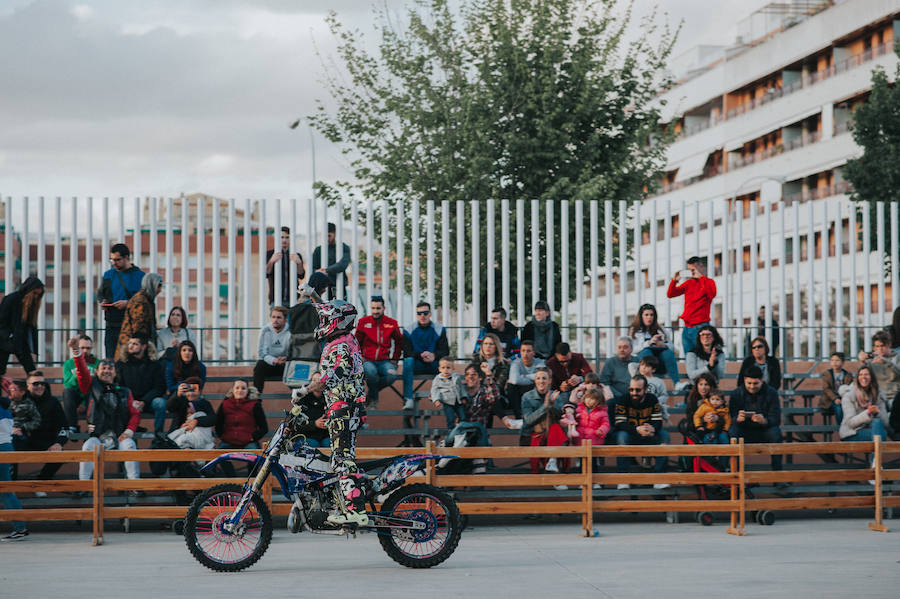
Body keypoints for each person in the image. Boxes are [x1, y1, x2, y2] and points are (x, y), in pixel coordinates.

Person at [295, 301, 368, 525]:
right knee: (342, 457)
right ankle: (348, 504)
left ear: (338, 321)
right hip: (346, 407)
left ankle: (355, 510)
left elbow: (337, 372)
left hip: (343, 407)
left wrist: (306, 390)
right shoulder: (346, 339)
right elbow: (337, 310)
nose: (322, 323)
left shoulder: (340, 345)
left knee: (342, 459)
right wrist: (313, 296)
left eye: (326, 319)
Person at [71, 342, 141, 486]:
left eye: (110, 368)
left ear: (115, 373)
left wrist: (129, 431)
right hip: (97, 435)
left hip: (120, 435)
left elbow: (135, 414)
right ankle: (83, 486)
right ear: (96, 372)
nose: (107, 371)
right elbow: (82, 372)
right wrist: (76, 352)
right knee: (87, 447)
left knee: (130, 446)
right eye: (103, 368)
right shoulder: (90, 387)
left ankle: (135, 486)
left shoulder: (125, 391)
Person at [9, 371, 68, 483]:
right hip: (23, 440)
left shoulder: (53, 402)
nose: (40, 386)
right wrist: (11, 429)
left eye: (43, 383)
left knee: (60, 454)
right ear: (27, 386)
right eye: (36, 383)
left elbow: (64, 426)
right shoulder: (18, 399)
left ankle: (41, 481)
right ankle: (11, 485)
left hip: (45, 441)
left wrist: (58, 443)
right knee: (10, 446)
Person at [613, 374, 667, 489]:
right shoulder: (623, 399)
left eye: (638, 390)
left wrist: (652, 428)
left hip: (648, 433)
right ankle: (623, 478)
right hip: (631, 434)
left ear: (646, 389)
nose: (634, 392)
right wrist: (637, 429)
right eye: (631, 389)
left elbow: (658, 420)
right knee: (621, 436)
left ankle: (660, 478)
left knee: (664, 435)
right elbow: (619, 423)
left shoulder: (652, 399)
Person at [729, 365, 784, 474]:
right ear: (744, 380)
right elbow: (730, 418)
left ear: (762, 380)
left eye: (755, 383)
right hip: (743, 430)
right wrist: (737, 419)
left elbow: (776, 418)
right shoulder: (736, 393)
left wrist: (765, 421)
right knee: (733, 432)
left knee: (776, 433)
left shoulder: (771, 393)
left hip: (764, 430)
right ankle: (735, 473)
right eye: (749, 383)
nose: (752, 387)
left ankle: (778, 475)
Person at [97, 243, 145, 358]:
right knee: (111, 358)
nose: (114, 263)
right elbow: (101, 294)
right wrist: (102, 302)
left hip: (131, 326)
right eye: (112, 260)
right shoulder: (108, 274)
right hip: (111, 325)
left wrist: (128, 304)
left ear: (127, 258)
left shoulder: (140, 276)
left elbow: (145, 301)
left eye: (117, 260)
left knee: (129, 359)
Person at [355, 296, 404, 407]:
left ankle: (371, 394)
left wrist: (395, 359)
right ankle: (373, 399)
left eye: (378, 308)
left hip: (385, 362)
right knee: (371, 373)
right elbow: (356, 342)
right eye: (373, 308)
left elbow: (399, 342)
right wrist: (359, 356)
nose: (375, 311)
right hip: (367, 361)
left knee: (392, 375)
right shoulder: (363, 322)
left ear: (383, 308)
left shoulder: (391, 323)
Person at [115, 334, 168, 432]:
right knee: (120, 402)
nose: (130, 346)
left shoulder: (155, 365)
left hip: (148, 402)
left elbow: (159, 388)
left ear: (144, 346)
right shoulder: (121, 364)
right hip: (129, 401)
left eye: (135, 344)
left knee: (160, 403)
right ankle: (129, 432)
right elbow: (119, 386)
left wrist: (144, 401)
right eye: (130, 343)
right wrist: (132, 401)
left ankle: (158, 436)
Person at [402, 301, 449, 410]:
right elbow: (406, 352)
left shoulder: (439, 329)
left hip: (434, 364)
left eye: (425, 313)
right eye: (419, 313)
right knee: (408, 361)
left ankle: (443, 398)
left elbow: (445, 351)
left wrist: (434, 355)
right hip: (417, 364)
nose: (422, 316)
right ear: (416, 314)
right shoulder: (408, 330)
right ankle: (408, 399)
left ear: (430, 313)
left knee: (445, 363)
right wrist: (421, 355)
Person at [666, 256, 716, 355]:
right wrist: (674, 281)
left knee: (703, 356)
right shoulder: (689, 283)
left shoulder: (709, 282)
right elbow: (670, 294)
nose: (691, 273)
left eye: (693, 270)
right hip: (687, 326)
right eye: (689, 270)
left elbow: (711, 294)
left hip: (701, 326)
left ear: (700, 267)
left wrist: (701, 277)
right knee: (689, 357)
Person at [0, 276, 44, 376]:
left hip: (19, 340)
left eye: (39, 294)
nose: (36, 297)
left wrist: (32, 347)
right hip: (4, 340)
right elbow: (1, 320)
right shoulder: (11, 299)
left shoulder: (31, 305)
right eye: (35, 293)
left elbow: (30, 327)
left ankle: (35, 388)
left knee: (32, 371)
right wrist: (9, 336)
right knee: (1, 371)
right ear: (28, 290)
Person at [0, 388, 29, 541]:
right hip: (7, 447)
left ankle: (20, 527)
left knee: (6, 491)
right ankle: (20, 527)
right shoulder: (4, 405)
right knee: (6, 491)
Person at [115, 272, 163, 361]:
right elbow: (139, 330)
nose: (160, 290)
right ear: (152, 285)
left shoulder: (144, 300)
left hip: (134, 347)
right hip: (135, 350)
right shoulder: (141, 302)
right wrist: (143, 348)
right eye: (159, 286)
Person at [629, 303, 680, 384]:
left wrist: (664, 344)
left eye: (652, 315)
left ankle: (677, 383)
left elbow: (673, 348)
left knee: (667, 353)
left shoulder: (661, 329)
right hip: (643, 362)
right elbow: (632, 350)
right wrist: (649, 343)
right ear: (641, 316)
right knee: (646, 351)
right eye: (646, 315)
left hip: (659, 363)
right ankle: (646, 381)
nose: (649, 317)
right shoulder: (634, 330)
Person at [838, 365, 890, 443]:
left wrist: (877, 413)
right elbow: (850, 423)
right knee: (880, 435)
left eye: (866, 374)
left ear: (872, 377)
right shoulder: (849, 396)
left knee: (877, 423)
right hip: (852, 433)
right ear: (857, 378)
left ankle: (875, 455)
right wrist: (868, 412)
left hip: (873, 430)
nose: (864, 377)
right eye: (861, 375)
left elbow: (886, 423)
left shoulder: (878, 395)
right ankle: (877, 455)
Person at [287, 271, 331, 361]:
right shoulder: (318, 306)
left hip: (298, 347)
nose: (325, 290)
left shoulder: (296, 307)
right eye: (324, 287)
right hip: (317, 347)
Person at [215, 380, 268, 450]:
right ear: (233, 390)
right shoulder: (225, 404)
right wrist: (223, 436)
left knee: (256, 458)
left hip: (248, 442)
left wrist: (253, 438)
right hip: (228, 440)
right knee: (217, 458)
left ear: (247, 391)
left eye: (243, 388)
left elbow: (264, 427)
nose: (240, 390)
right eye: (237, 388)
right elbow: (218, 423)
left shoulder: (255, 405)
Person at [521, 367, 565, 448]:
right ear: (535, 380)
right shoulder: (527, 396)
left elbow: (560, 416)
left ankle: (553, 459)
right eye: (538, 378)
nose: (541, 381)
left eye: (544, 378)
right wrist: (545, 406)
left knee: (556, 429)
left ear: (549, 381)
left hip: (552, 434)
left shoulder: (555, 395)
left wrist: (551, 404)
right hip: (532, 434)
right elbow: (528, 421)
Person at [62, 334, 98, 433]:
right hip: (76, 396)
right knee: (67, 392)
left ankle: (92, 427)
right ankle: (72, 426)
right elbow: (68, 384)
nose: (85, 351)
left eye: (88, 348)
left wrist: (84, 404)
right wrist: (79, 372)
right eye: (82, 348)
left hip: (91, 396)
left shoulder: (97, 363)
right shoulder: (68, 364)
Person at [857, 331, 900, 405]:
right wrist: (862, 362)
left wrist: (885, 362)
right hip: (878, 397)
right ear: (874, 347)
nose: (880, 349)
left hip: (894, 396)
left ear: (889, 344)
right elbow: (862, 378)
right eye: (877, 346)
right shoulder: (871, 360)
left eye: (882, 346)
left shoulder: (898, 357)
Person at [253, 306, 290, 393]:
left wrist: (286, 358)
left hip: (285, 364)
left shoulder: (290, 331)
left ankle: (299, 400)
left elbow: (294, 351)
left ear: (285, 320)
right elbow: (261, 353)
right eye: (273, 317)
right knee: (259, 366)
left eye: (278, 317)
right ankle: (256, 399)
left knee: (298, 367)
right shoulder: (265, 330)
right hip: (270, 363)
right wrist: (274, 360)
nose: (275, 320)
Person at [267, 226, 306, 308]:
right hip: (275, 298)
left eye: (287, 237)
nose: (284, 240)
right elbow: (266, 273)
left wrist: (299, 263)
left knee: (293, 321)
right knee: (277, 320)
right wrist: (271, 261)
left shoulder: (296, 255)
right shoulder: (270, 254)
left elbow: (301, 275)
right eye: (282, 237)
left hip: (293, 299)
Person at [290, 372, 330, 448]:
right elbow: (295, 424)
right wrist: (315, 424)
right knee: (314, 444)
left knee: (329, 443)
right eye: (314, 380)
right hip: (306, 435)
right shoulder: (302, 398)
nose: (317, 383)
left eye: (319, 380)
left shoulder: (329, 398)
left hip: (324, 435)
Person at [507, 340, 545, 418]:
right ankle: (518, 416)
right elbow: (514, 380)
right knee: (511, 385)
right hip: (519, 390)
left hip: (533, 389)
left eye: (528, 351)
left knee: (541, 383)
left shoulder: (539, 362)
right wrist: (533, 378)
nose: (525, 354)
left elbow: (543, 376)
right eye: (523, 351)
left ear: (534, 352)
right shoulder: (516, 363)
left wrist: (525, 376)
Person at [311, 223, 351, 297]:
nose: (327, 238)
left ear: (335, 234)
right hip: (322, 288)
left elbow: (343, 264)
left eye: (329, 236)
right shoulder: (318, 250)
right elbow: (312, 268)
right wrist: (318, 272)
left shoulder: (343, 247)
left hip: (339, 286)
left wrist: (325, 270)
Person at [430, 357, 466, 430]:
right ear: (439, 369)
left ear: (453, 369)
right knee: (450, 418)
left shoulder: (456, 377)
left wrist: (464, 397)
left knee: (463, 416)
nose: (446, 370)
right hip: (447, 401)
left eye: (448, 367)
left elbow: (461, 388)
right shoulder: (437, 379)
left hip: (458, 400)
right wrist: (436, 400)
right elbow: (434, 390)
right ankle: (451, 431)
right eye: (443, 368)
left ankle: (463, 430)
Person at [820, 352, 853, 425]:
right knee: (839, 408)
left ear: (843, 362)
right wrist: (835, 399)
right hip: (830, 400)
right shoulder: (827, 373)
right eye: (832, 360)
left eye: (837, 360)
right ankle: (842, 428)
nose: (834, 363)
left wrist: (844, 399)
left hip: (844, 399)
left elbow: (849, 388)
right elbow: (826, 388)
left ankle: (850, 427)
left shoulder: (847, 374)